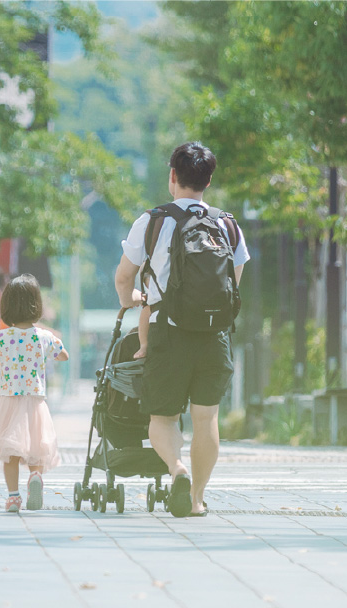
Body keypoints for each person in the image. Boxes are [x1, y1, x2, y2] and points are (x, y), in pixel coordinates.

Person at [113, 141, 248, 518]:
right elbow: (234, 282)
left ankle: (177, 469)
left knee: (163, 418)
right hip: (215, 337)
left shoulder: (154, 221)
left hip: (167, 333)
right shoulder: (227, 224)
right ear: (208, 180)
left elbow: (124, 277)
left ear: (173, 176)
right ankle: (197, 500)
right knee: (206, 419)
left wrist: (134, 300)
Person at [0, 274, 68, 513]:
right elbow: (64, 355)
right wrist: (48, 345)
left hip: (8, 402)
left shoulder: (1, 338)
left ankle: (13, 497)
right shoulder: (43, 336)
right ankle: (35, 477)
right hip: (35, 403)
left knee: (9, 452)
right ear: (37, 305)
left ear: (7, 307)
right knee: (37, 449)